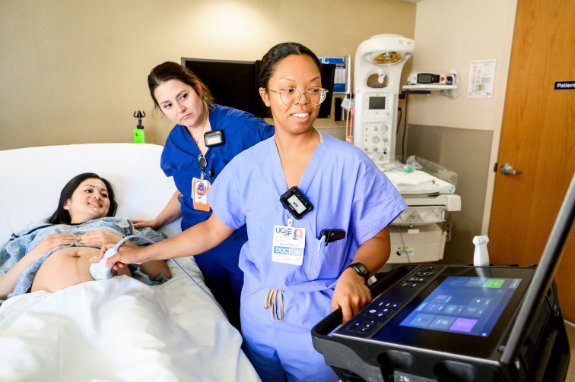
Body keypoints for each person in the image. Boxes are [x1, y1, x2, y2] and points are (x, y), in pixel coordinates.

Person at [102, 43, 406, 382]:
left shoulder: (350, 164)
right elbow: (210, 231)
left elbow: (378, 238)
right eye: (288, 89)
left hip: (322, 316)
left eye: (313, 88)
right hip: (258, 313)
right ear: (265, 95)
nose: (302, 100)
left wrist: (356, 271)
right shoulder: (247, 166)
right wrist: (142, 253)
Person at [134, 61, 274, 329]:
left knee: (254, 318)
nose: (180, 109)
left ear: (197, 89)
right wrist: (157, 220)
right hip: (200, 245)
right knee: (221, 317)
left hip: (243, 243)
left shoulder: (242, 127)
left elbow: (286, 157)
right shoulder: (176, 143)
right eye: (168, 105)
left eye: (183, 96)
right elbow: (185, 190)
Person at [0, 173, 171, 301]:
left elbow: (162, 273)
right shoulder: (36, 232)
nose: (98, 196)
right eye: (89, 190)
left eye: (104, 195)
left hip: (116, 299)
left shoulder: (122, 226)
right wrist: (37, 252)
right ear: (67, 203)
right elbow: (2, 290)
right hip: (48, 304)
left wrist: (118, 241)